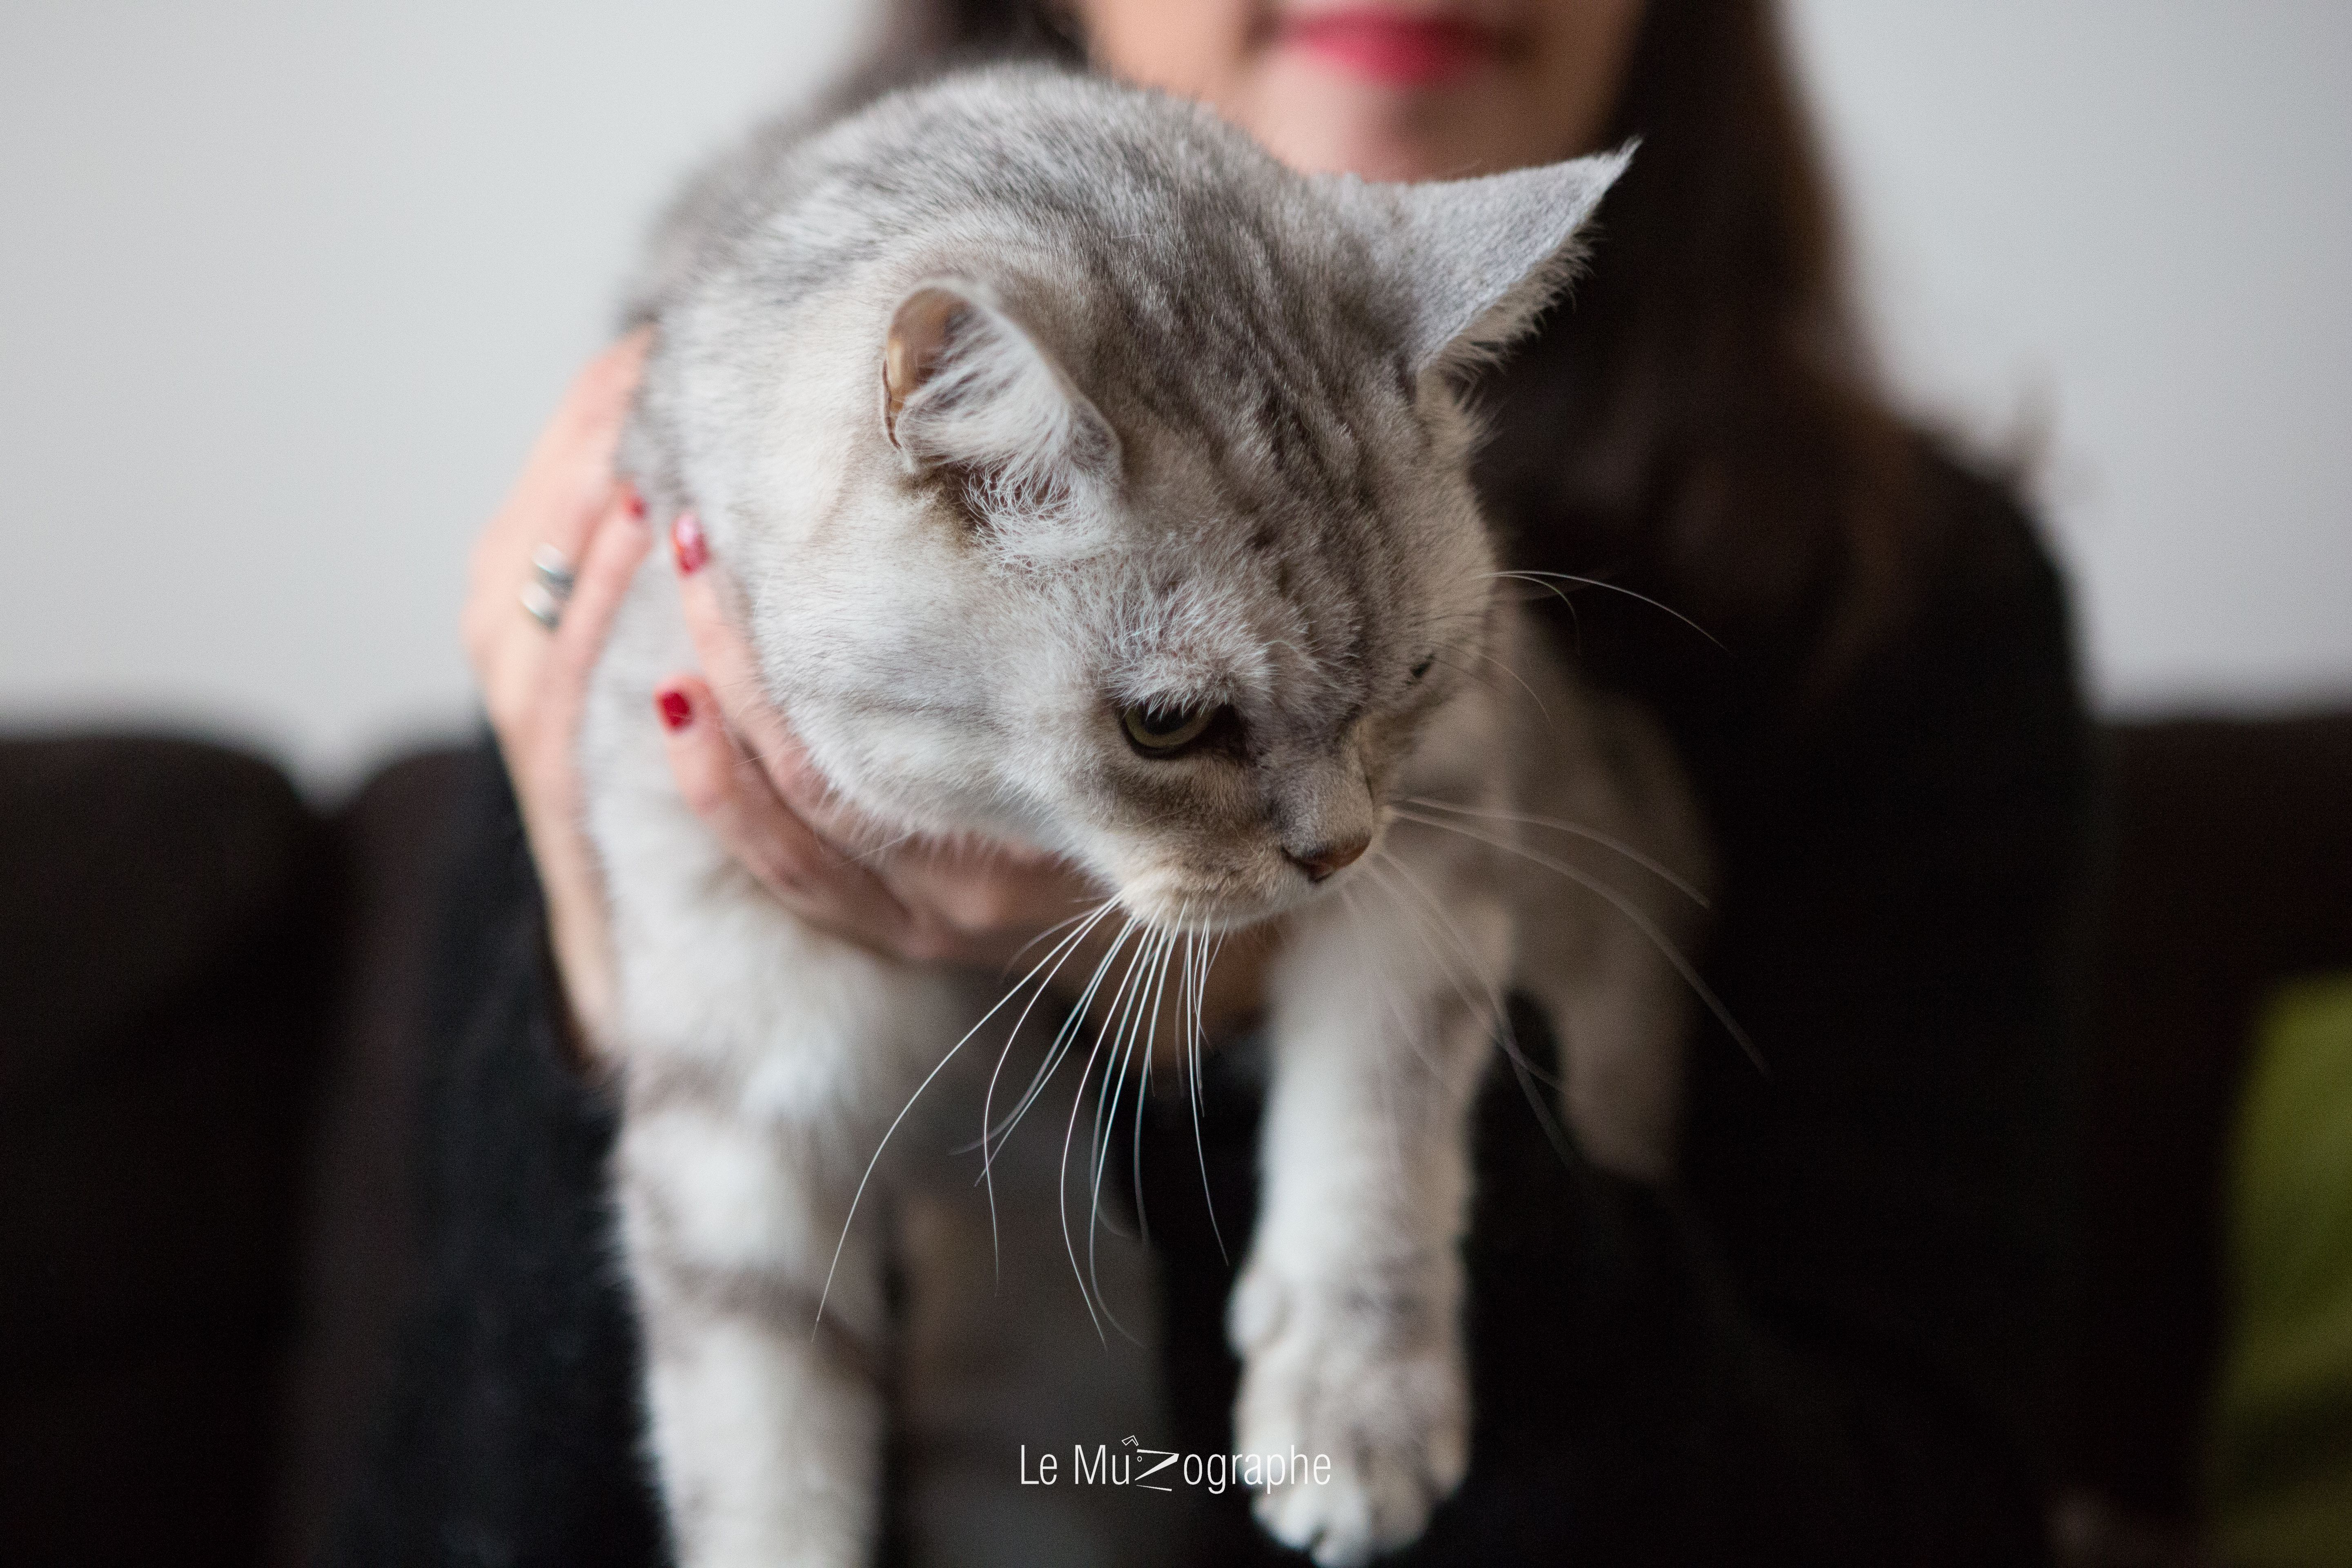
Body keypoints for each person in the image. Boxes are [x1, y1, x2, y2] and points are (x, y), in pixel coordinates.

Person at [347, 2, 2093, 1564]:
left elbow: (1928, 1513)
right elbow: (451, 1512)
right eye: (1182, 721)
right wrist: (604, 979)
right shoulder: (663, 534)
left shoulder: (1919, 612)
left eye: (1416, 682)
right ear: (936, 460)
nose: (1342, 839)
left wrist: (1242, 1026)